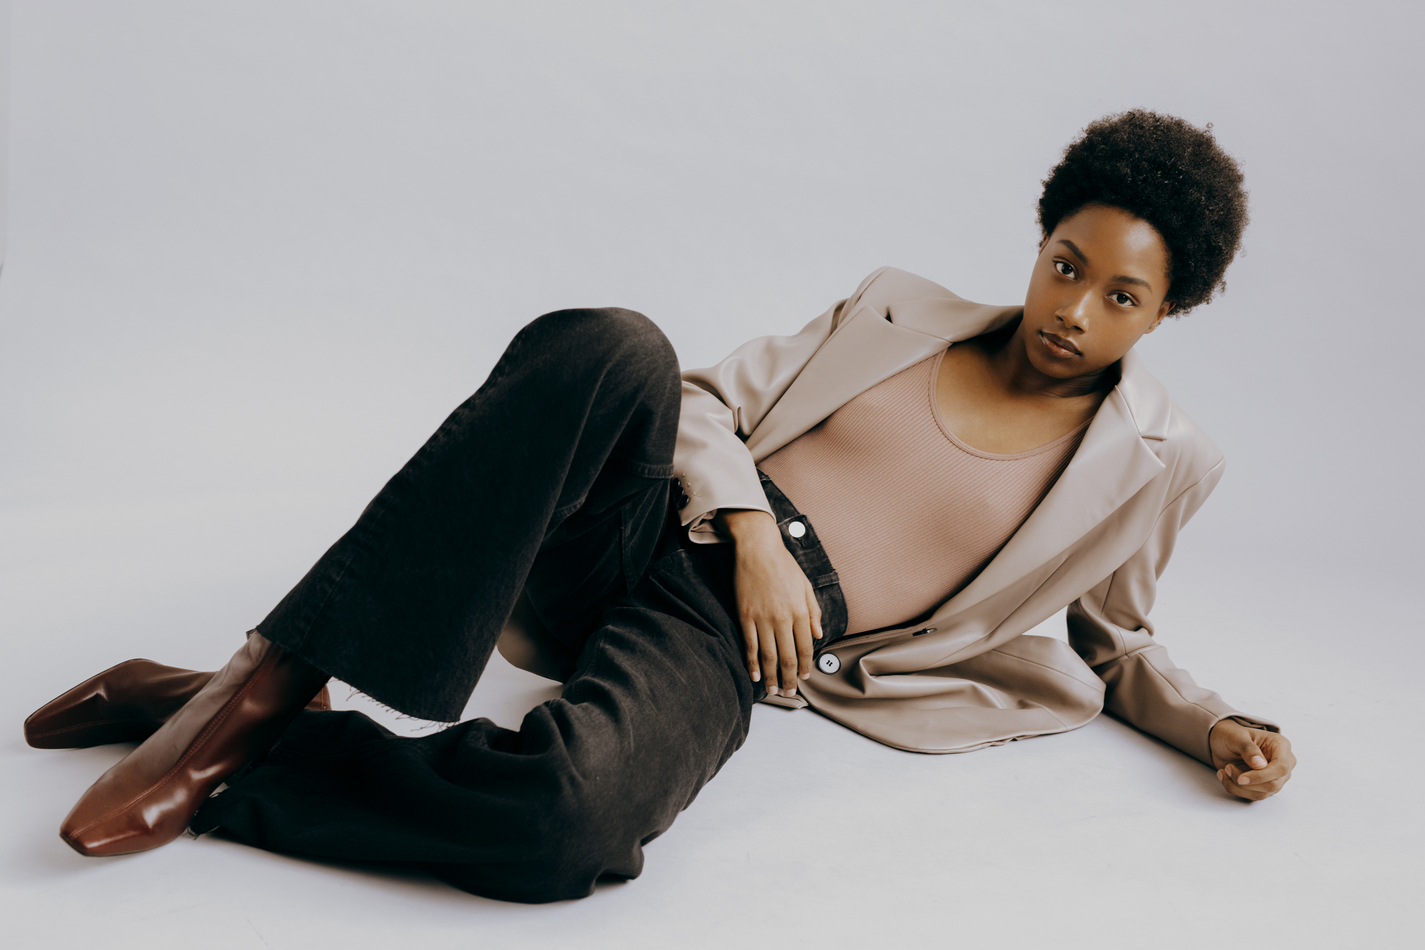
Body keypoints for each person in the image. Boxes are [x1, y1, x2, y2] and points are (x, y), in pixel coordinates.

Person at [24, 109, 1295, 903]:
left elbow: (1115, 639)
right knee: (618, 345)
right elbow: (695, 400)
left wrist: (1219, 723)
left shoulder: (1155, 462)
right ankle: (263, 681)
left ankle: (233, 747)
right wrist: (750, 531)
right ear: (1041, 240)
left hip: (727, 640)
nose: (1074, 308)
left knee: (565, 824)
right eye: (1066, 265)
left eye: (1120, 297)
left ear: (1166, 312)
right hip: (653, 521)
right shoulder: (898, 307)